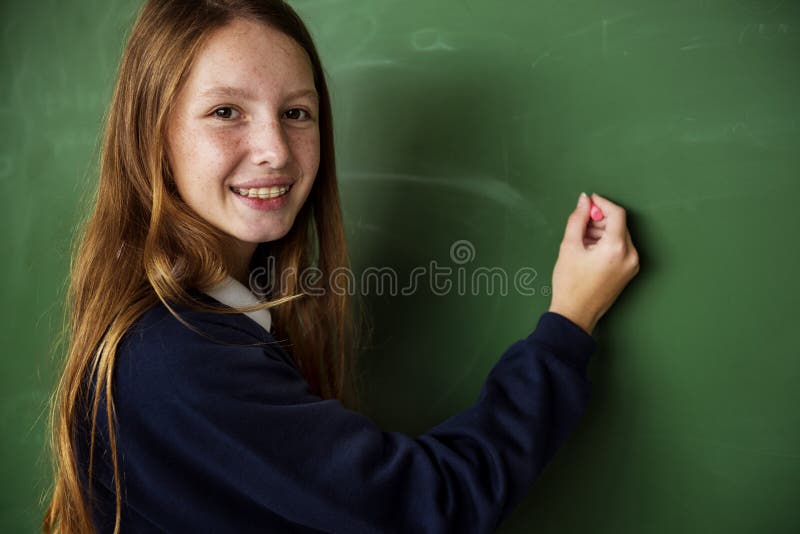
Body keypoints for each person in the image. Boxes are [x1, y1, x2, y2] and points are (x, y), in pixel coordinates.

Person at [42, 1, 640, 533]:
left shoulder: (216, 320)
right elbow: (431, 508)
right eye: (226, 111)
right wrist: (569, 323)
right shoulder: (177, 355)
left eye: (297, 113)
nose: (275, 148)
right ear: (152, 134)